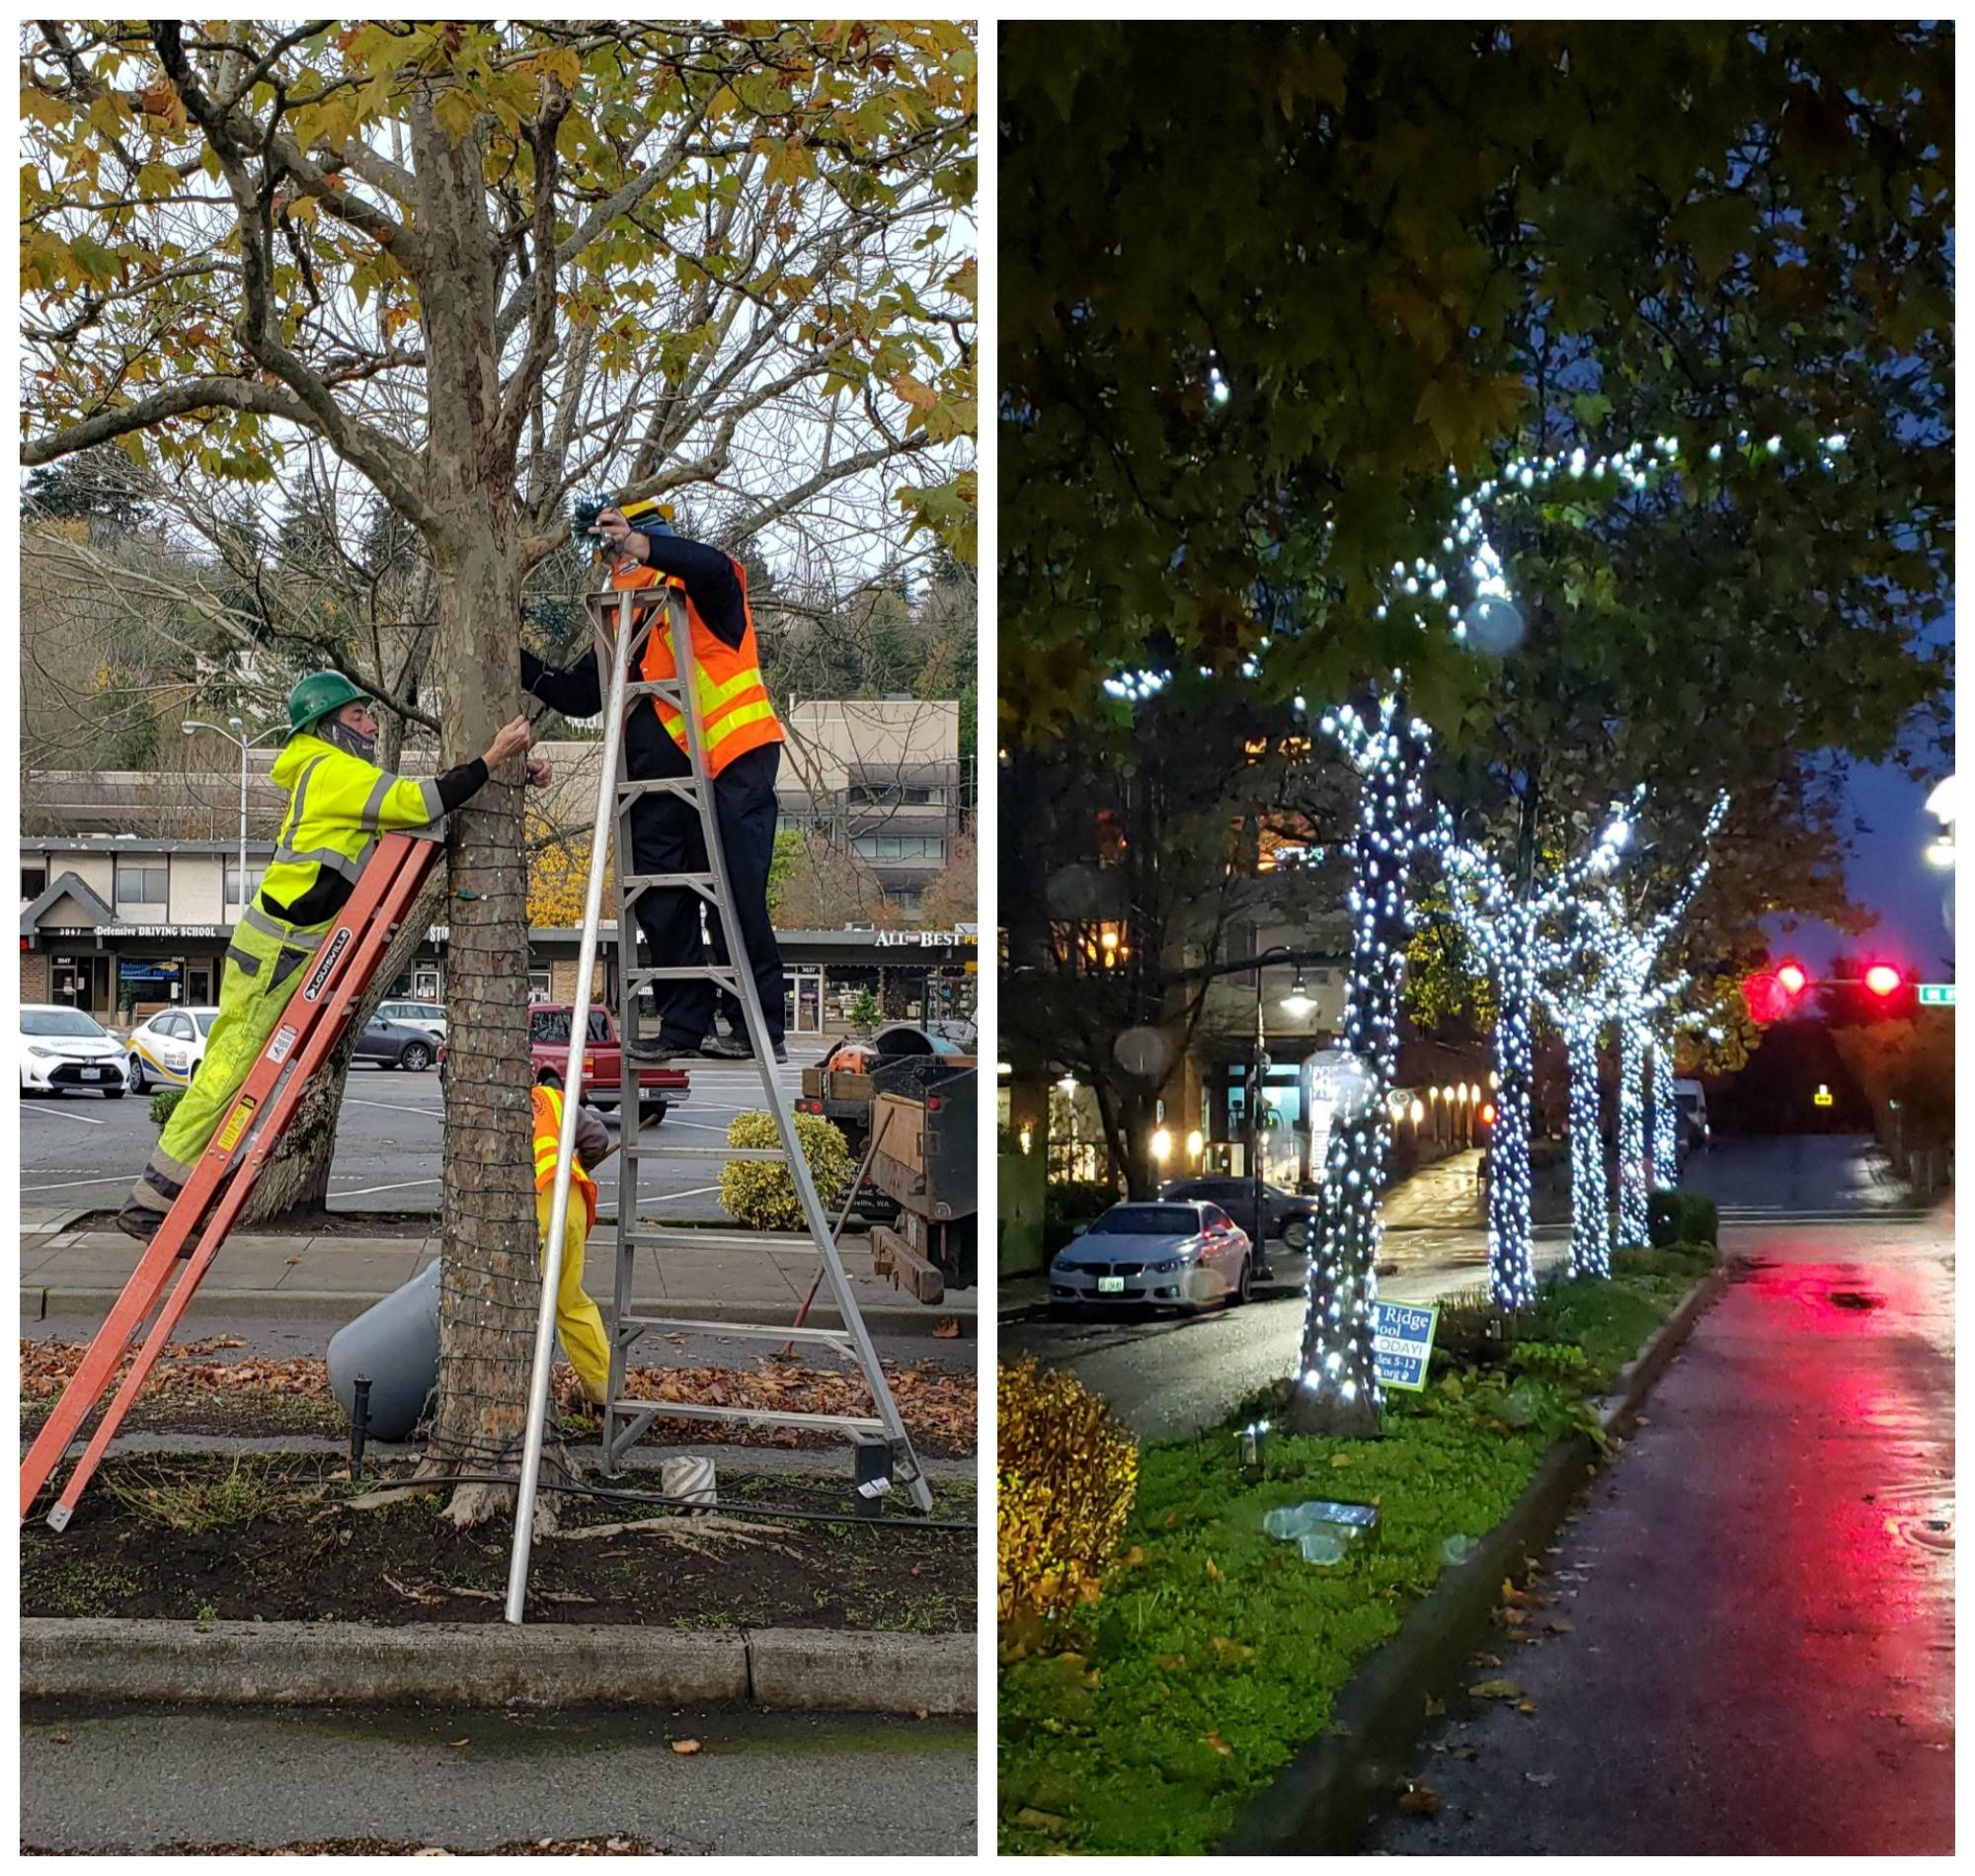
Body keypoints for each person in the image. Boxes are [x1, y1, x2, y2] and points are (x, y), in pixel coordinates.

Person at [118, 674, 541, 1239]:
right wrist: (492, 760)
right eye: (360, 716)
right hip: (278, 948)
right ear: (329, 726)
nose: (371, 725)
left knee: (238, 1073)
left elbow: (424, 814)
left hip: (284, 943)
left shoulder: (335, 775)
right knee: (228, 1073)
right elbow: (419, 802)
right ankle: (152, 1201)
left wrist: (505, 777)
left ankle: (176, 1191)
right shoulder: (332, 771)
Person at [521, 502, 788, 1063]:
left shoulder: (704, 590)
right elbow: (582, 694)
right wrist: (516, 661)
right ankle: (682, 1023)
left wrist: (644, 546)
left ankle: (757, 1026)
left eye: (625, 549)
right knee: (661, 899)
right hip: (660, 779)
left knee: (734, 899)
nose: (617, 564)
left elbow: (714, 567)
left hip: (734, 760)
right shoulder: (621, 618)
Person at [529, 1066, 613, 1407]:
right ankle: (604, 1390)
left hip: (534, 1210)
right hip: (571, 1203)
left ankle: (527, 1394)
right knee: (570, 1302)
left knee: (521, 1306)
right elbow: (597, 1139)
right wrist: (582, 1164)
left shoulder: (491, 1108)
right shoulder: (554, 1099)